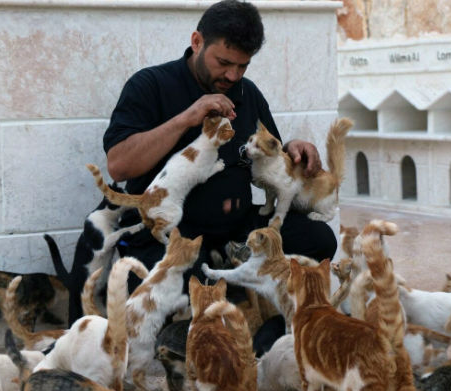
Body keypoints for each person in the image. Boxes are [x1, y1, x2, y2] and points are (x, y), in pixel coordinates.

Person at [103, 0, 337, 290]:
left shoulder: (246, 92)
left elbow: (272, 154)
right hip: (173, 230)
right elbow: (119, 165)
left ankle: (258, 301)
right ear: (197, 42)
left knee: (319, 240)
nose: (233, 76)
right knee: (192, 288)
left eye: (243, 66)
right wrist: (186, 118)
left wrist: (294, 147)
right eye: (224, 63)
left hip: (238, 229)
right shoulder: (151, 85)